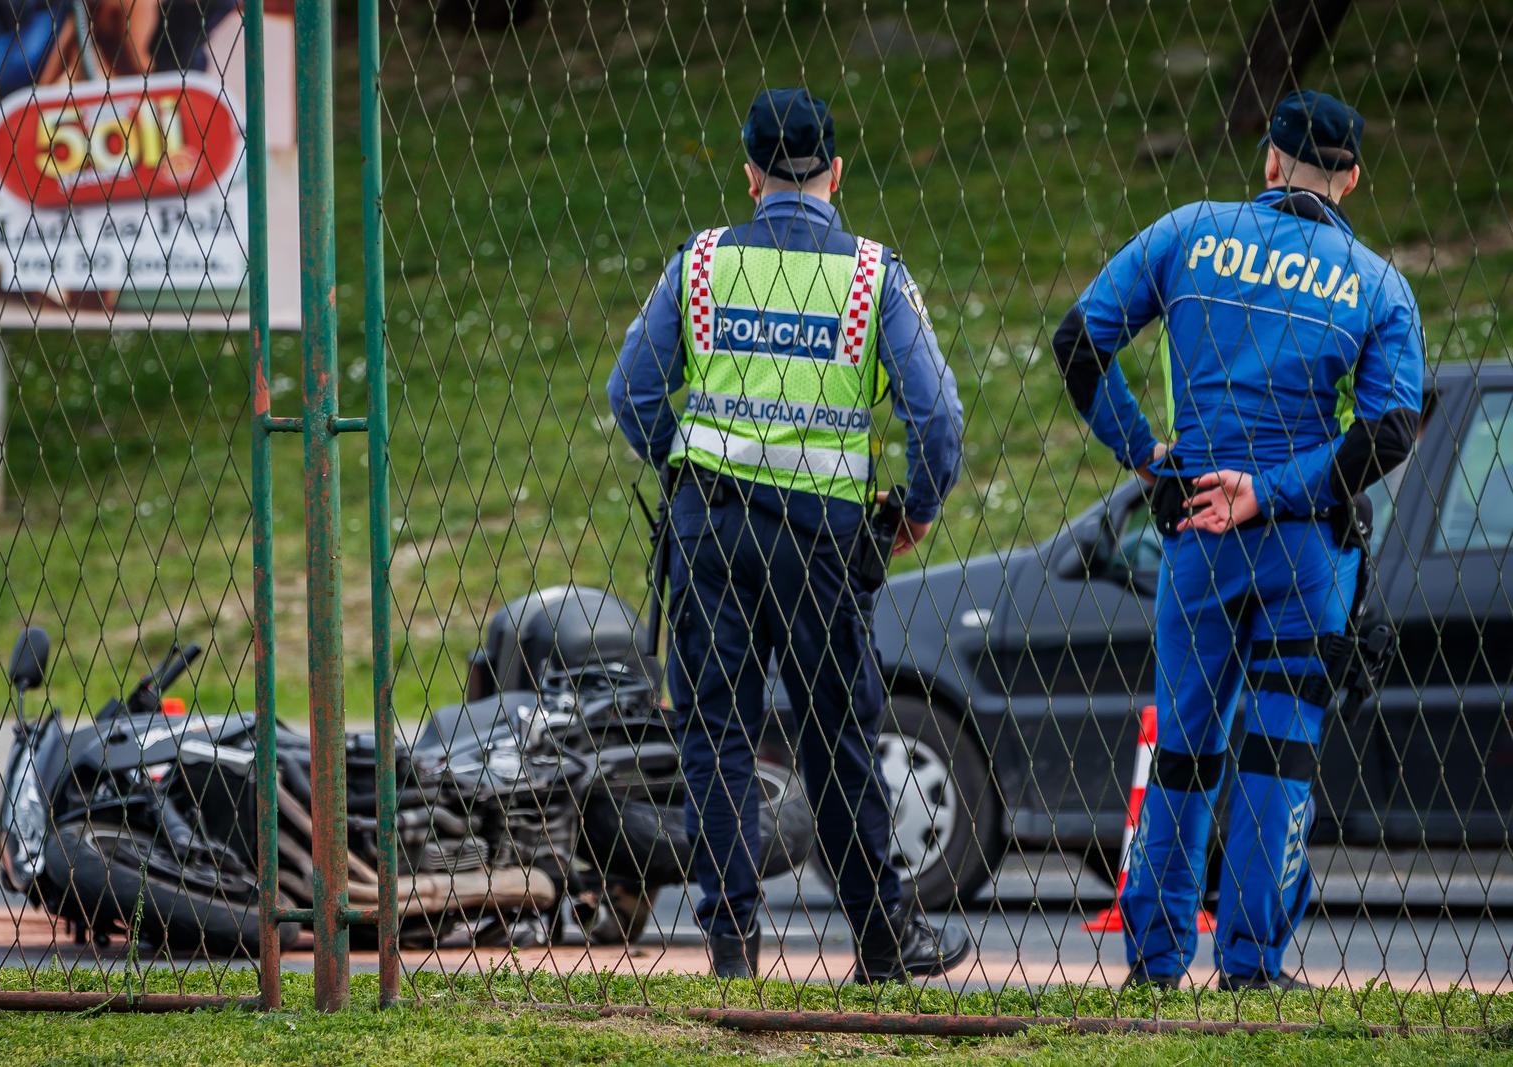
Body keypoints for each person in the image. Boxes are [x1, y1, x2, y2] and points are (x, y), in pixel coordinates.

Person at [1053, 90, 1424, 991]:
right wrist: (1276, 490)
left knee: (1183, 747)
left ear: (1268, 162)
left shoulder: (1189, 232)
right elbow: (1388, 432)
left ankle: (1154, 962)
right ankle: (1254, 965)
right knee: (1280, 750)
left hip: (1194, 527)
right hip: (1300, 543)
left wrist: (1148, 457)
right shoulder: (1376, 284)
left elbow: (1078, 341)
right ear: (1353, 178)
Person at [608, 87, 970, 981]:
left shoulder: (699, 266)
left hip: (713, 528)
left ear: (750, 175)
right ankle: (883, 942)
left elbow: (632, 393)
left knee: (716, 735)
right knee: (833, 734)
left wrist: (686, 465)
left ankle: (732, 949)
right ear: (835, 173)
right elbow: (939, 418)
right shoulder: (871, 276)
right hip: (818, 542)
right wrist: (912, 510)